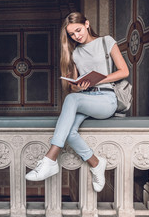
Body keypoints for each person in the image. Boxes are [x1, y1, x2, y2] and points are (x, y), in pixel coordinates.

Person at [25, 12, 129, 192]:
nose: (76, 36)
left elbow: (123, 71)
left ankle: (50, 159)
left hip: (106, 99)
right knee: (70, 131)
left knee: (71, 100)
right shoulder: (76, 53)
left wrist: (98, 80)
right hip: (85, 98)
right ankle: (97, 164)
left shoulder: (106, 41)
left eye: (78, 30)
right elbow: (73, 87)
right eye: (72, 34)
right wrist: (78, 87)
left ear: (87, 24)